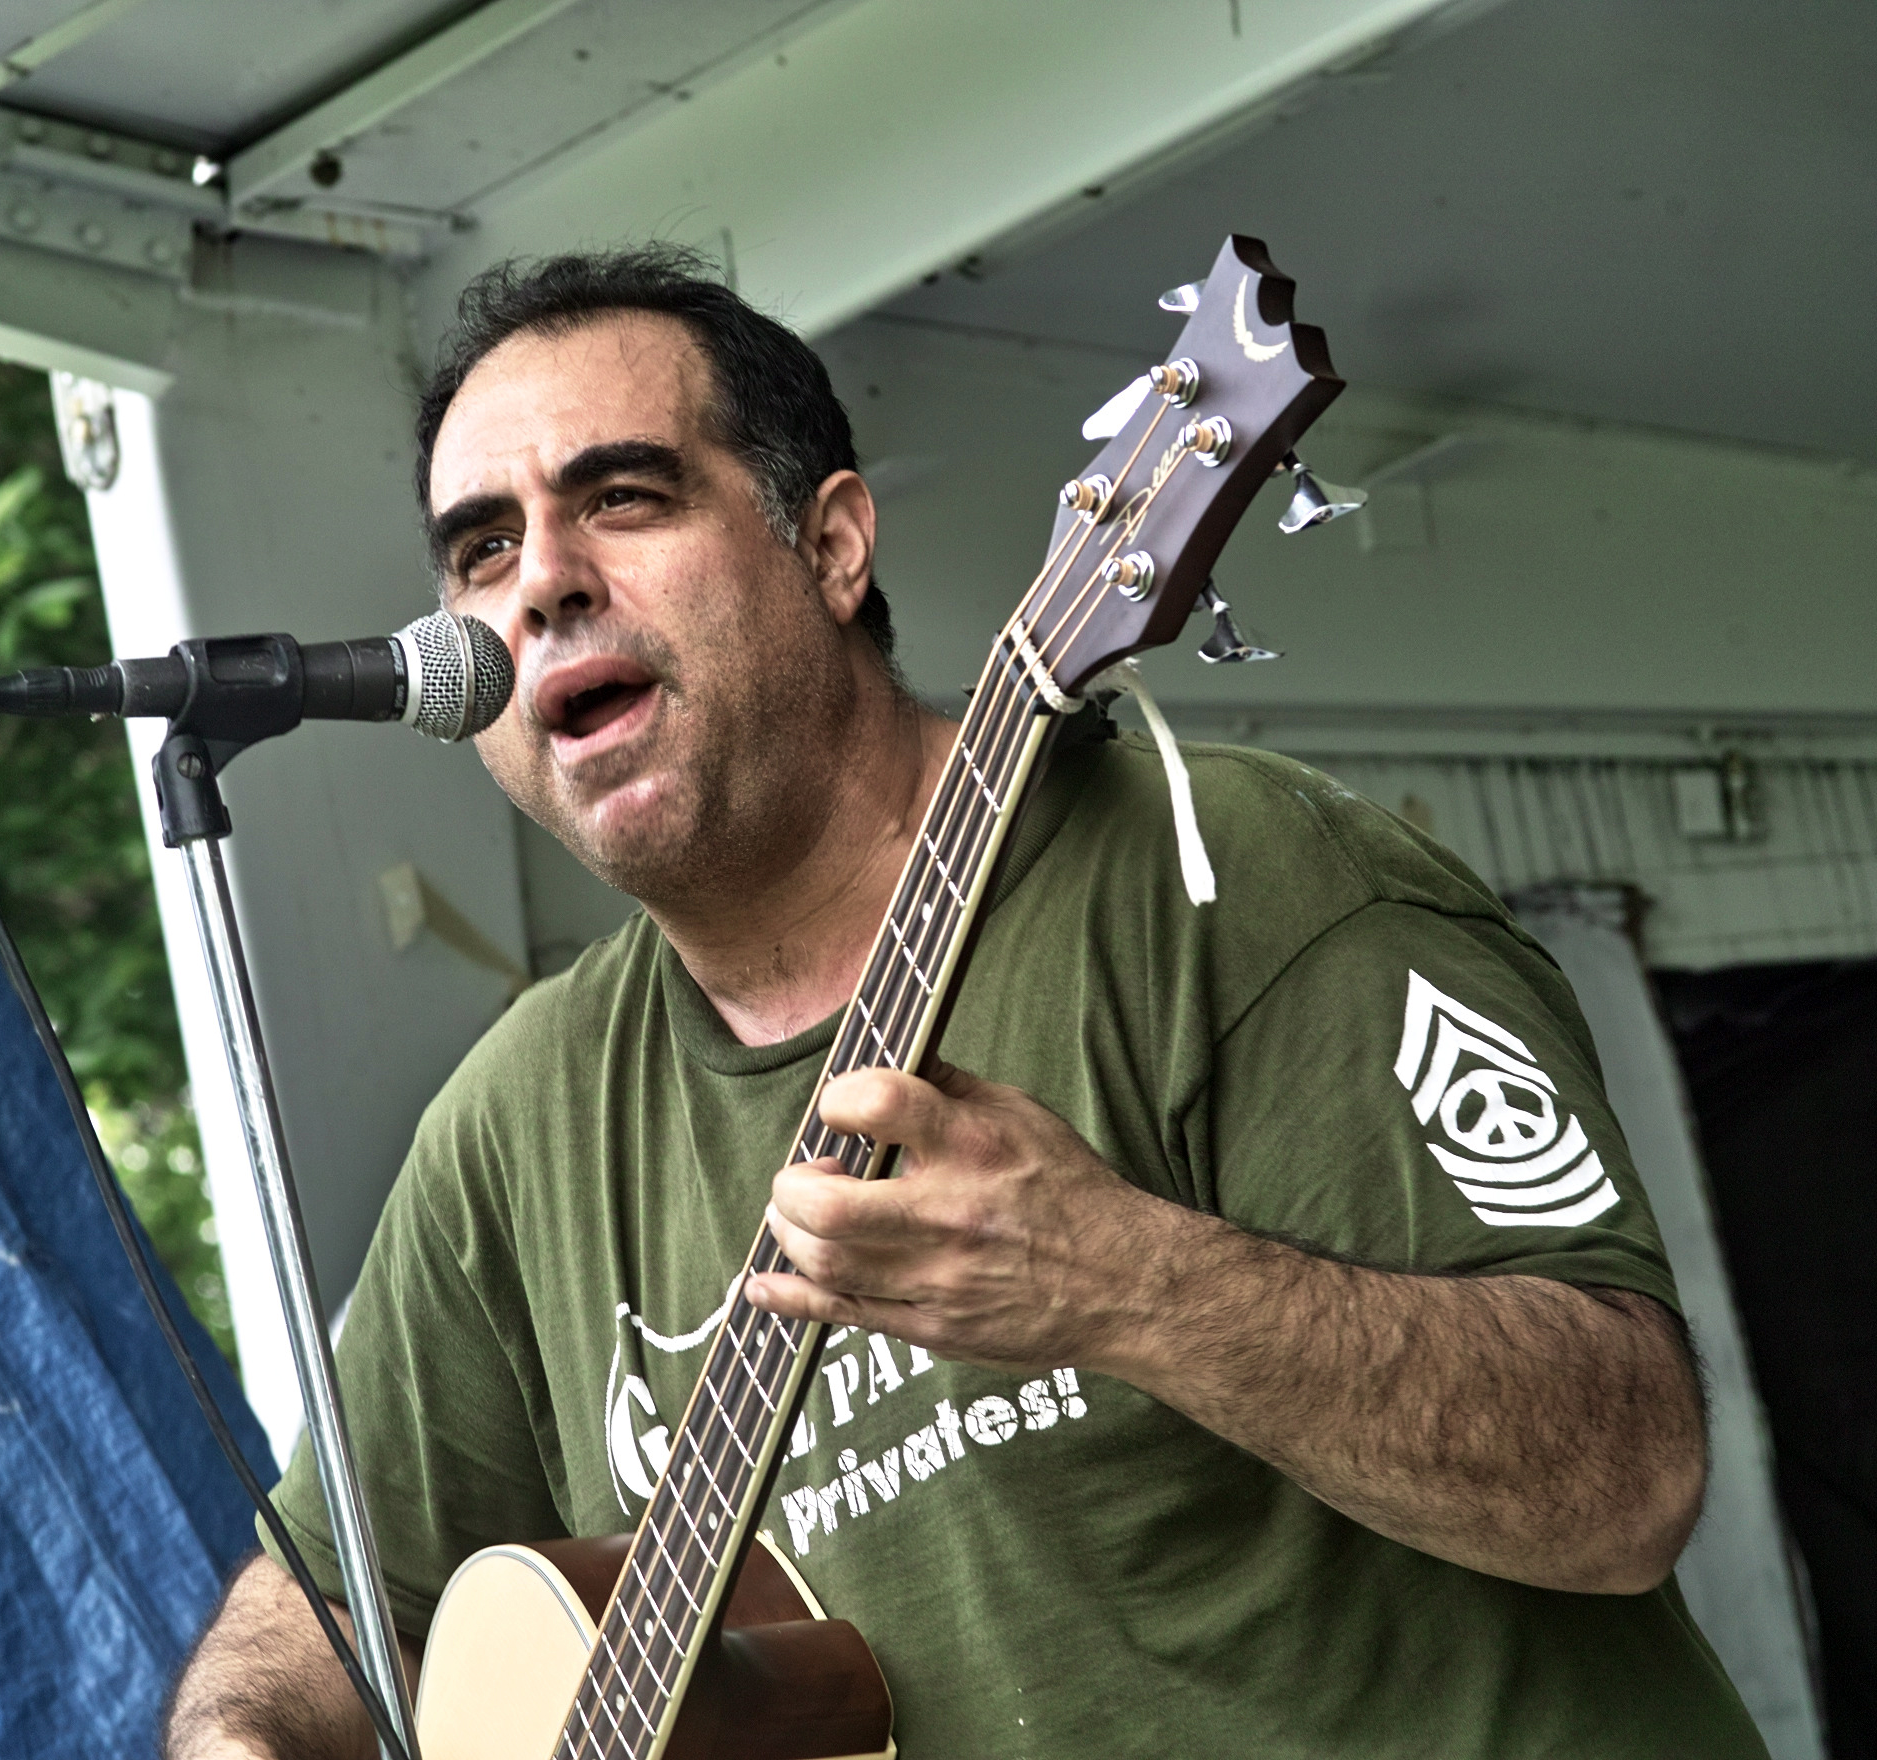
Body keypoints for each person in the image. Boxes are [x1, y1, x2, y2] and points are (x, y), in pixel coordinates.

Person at [164, 247, 1766, 1758]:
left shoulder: (1234, 875)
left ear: (832, 546)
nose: (543, 585)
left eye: (623, 498)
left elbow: (1626, 1477)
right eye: (482, 550)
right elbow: (330, 1605)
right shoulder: (515, 1130)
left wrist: (1129, 1283)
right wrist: (242, 1731)